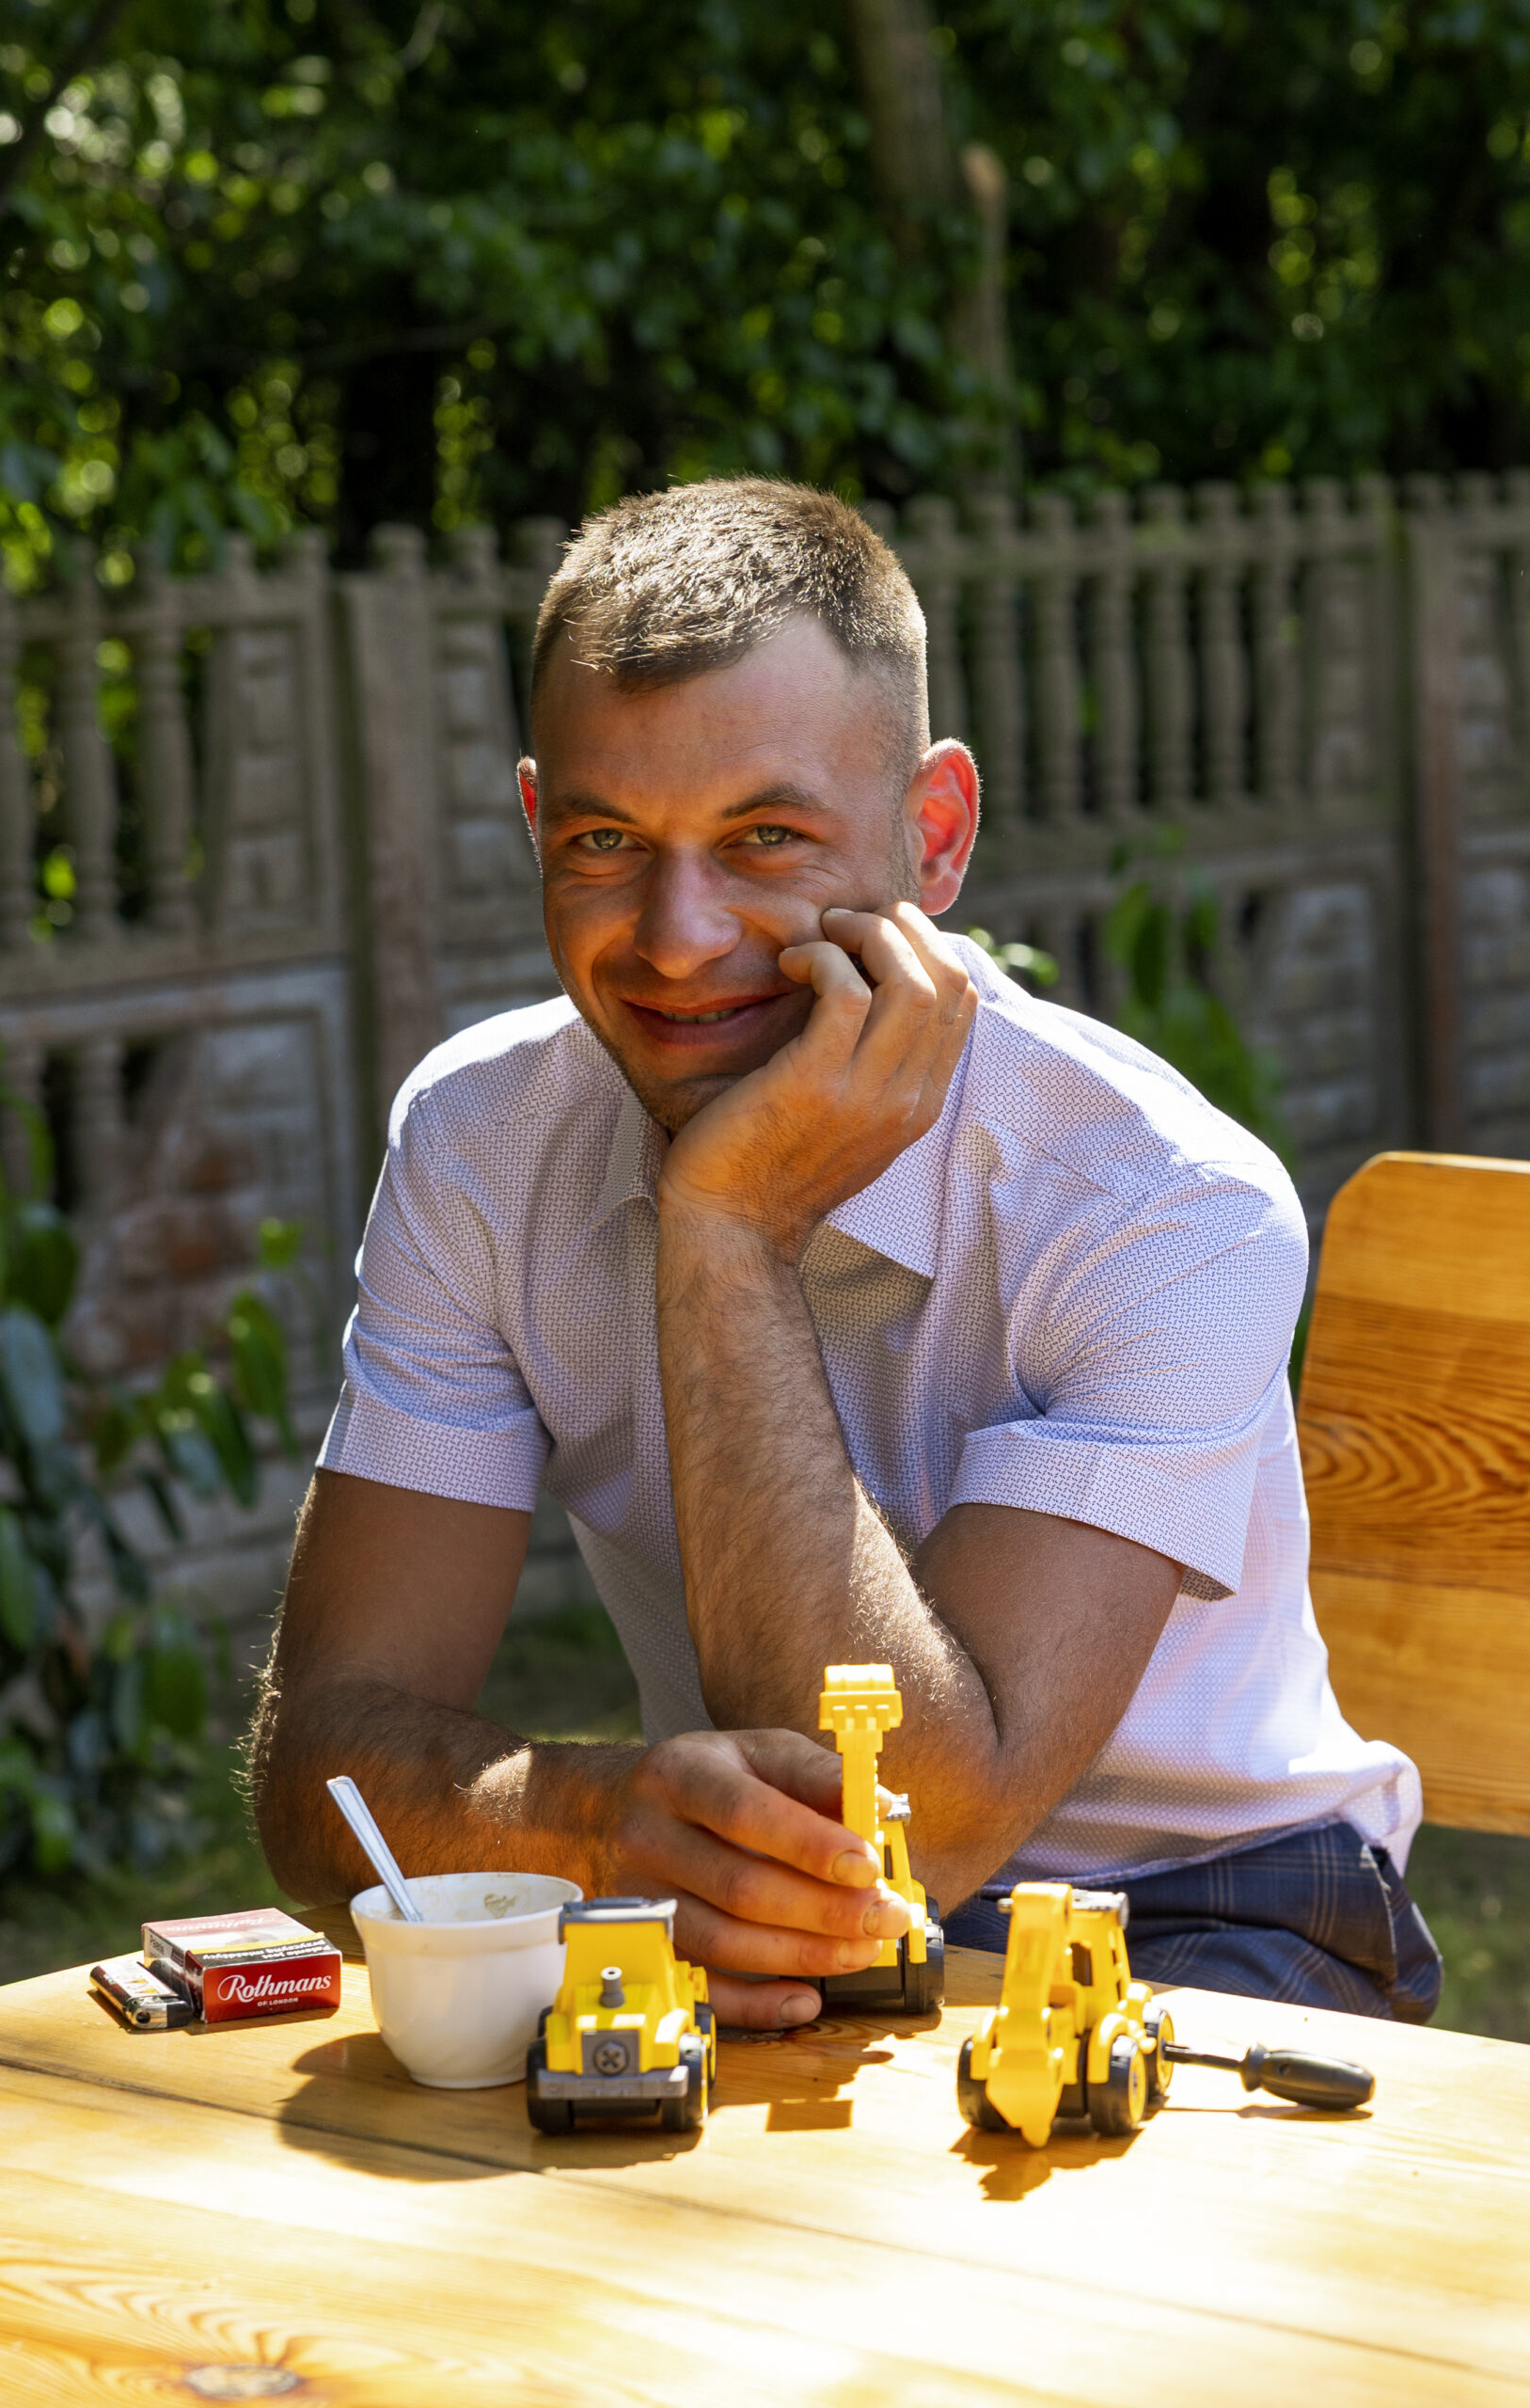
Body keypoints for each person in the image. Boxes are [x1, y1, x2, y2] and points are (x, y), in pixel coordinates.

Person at [249, 478, 1440, 2028]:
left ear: (930, 836)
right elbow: (323, 1786)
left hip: (1208, 1901)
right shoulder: (482, 1141)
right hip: (760, 1917)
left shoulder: (1162, 1203)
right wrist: (597, 1818)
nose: (677, 937)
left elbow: (919, 1839)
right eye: (606, 841)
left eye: (766, 838)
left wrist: (728, 1228)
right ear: (536, 824)